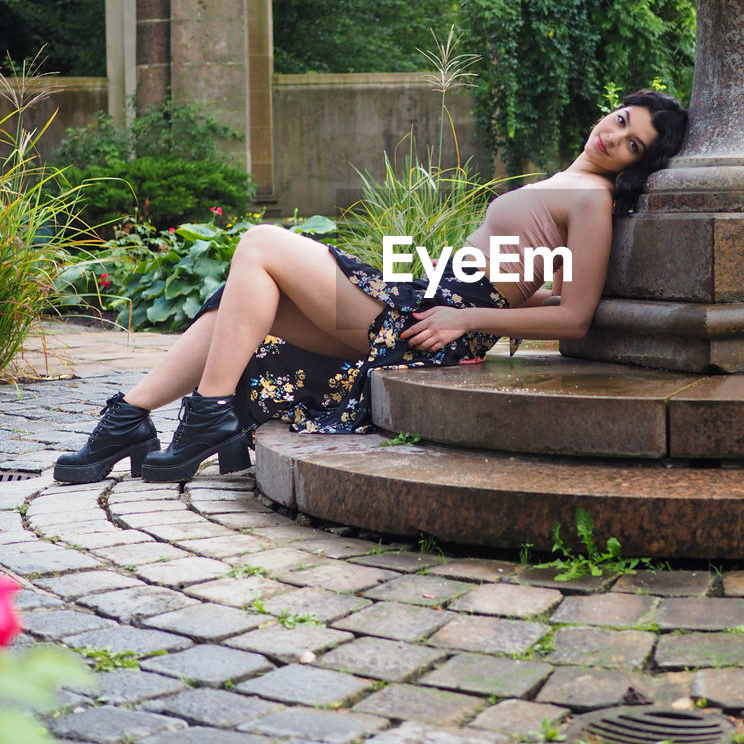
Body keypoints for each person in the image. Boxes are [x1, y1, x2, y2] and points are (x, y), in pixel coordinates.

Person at [54, 90, 687, 486]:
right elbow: (535, 284)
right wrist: (511, 302)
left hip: (424, 319)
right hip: (422, 304)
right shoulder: (569, 183)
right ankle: (130, 420)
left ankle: (207, 415)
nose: (611, 137)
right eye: (619, 120)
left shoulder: (594, 201)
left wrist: (471, 323)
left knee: (261, 244)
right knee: (240, 309)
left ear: (635, 162)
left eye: (630, 144)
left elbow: (576, 317)